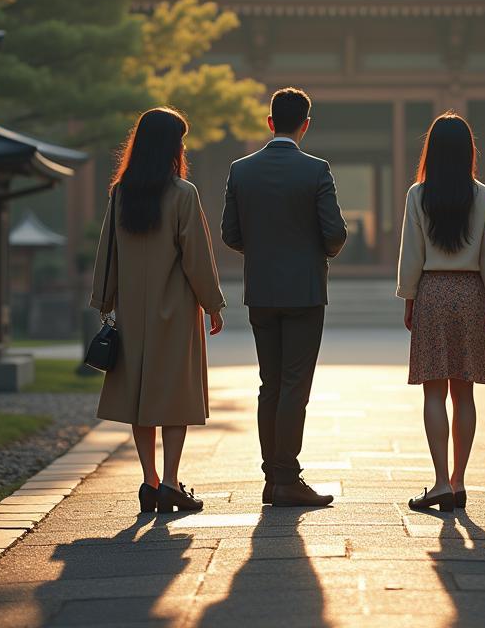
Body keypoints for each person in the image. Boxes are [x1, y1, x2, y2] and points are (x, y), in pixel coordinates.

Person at [89, 107, 225, 516]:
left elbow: (107, 253)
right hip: (176, 311)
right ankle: (170, 483)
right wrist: (212, 303)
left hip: (133, 309)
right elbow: (196, 256)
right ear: (171, 146)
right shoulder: (183, 194)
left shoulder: (121, 193)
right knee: (174, 396)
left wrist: (105, 299)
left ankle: (148, 482)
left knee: (140, 395)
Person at [221, 87, 347, 507]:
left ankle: (271, 477)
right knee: (296, 384)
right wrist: (315, 254)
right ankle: (286, 477)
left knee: (269, 383)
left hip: (260, 289)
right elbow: (334, 234)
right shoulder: (316, 170)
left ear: (270, 122)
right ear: (305, 125)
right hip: (305, 290)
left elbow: (231, 234)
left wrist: (262, 253)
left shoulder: (241, 170)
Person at [397, 112, 485, 513]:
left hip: (432, 291)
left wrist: (409, 298)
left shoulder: (417, 195)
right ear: (469, 151)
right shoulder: (484, 195)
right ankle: (458, 482)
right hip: (471, 292)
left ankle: (439, 480)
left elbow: (411, 255)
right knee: (465, 392)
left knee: (434, 391)